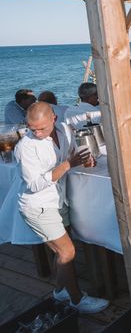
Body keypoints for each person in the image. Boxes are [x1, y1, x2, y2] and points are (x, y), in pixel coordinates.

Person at [15, 103, 108, 313]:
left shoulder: (64, 130)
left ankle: (59, 291)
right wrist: (68, 164)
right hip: (38, 206)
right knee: (67, 251)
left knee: (62, 252)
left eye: (42, 128)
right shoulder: (26, 147)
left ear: (54, 119)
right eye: (32, 128)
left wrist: (83, 160)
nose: (37, 133)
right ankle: (77, 300)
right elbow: (34, 185)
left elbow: (73, 152)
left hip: (59, 201)